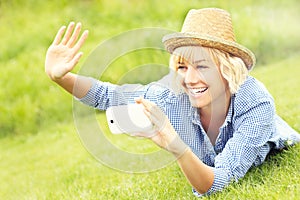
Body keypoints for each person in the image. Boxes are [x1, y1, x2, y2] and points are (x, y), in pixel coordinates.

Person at [45, 8, 300, 197]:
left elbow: (220, 181)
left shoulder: (255, 103)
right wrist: (61, 77)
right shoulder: (171, 94)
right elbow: (108, 95)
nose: (189, 79)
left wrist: (176, 146)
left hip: (269, 146)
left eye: (201, 66)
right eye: (181, 66)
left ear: (226, 68)